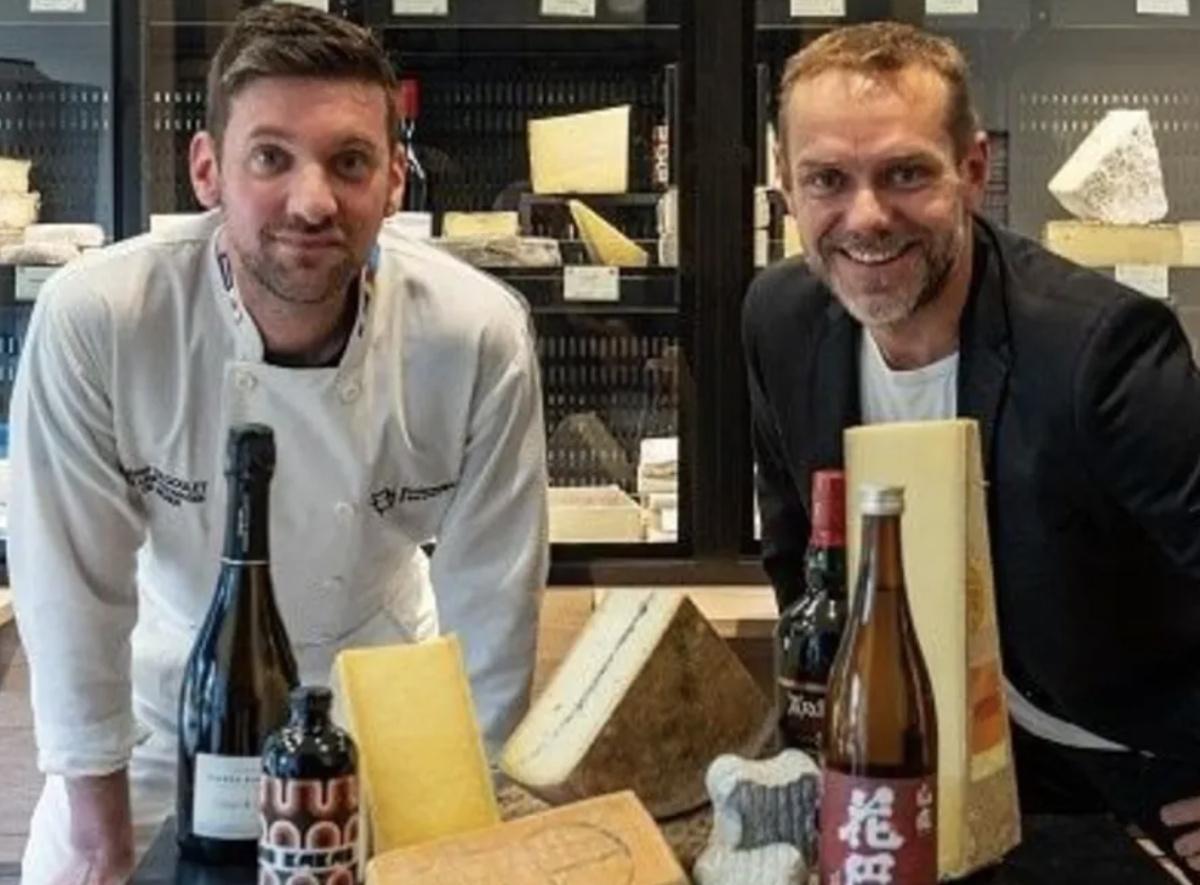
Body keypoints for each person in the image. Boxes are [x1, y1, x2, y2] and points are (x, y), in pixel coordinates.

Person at [11, 5, 548, 882]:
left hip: (384, 707)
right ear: (207, 169)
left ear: (396, 181)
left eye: (349, 162)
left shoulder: (475, 333)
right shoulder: (104, 319)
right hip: (162, 718)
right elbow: (71, 589)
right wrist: (100, 830)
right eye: (271, 157)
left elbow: (494, 611)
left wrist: (467, 836)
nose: (312, 200)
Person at [743, 21, 1200, 878]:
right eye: (827, 181)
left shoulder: (1098, 350)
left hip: (1118, 773)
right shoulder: (778, 320)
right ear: (787, 189)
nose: (866, 216)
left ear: (974, 173)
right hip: (917, 768)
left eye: (906, 173)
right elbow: (802, 551)